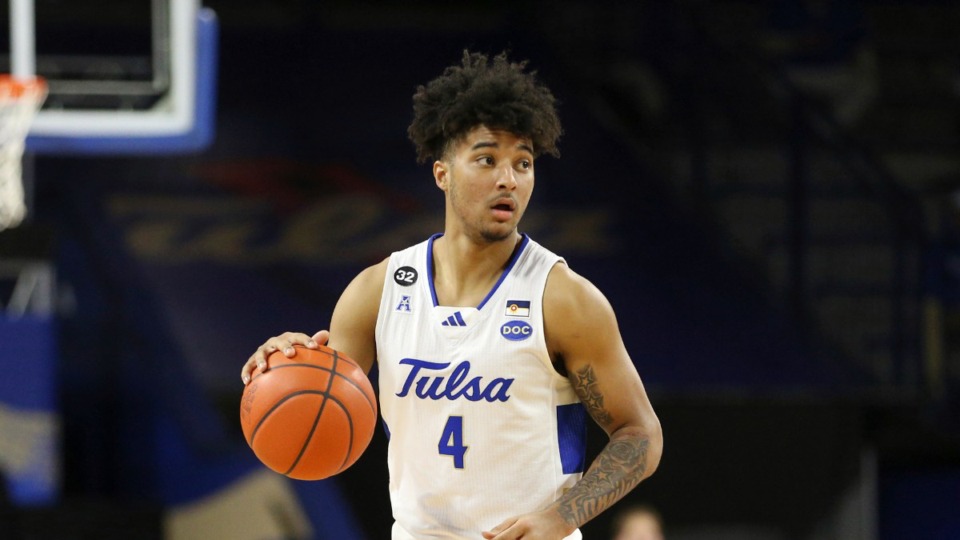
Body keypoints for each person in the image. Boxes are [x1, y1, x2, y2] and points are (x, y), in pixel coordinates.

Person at [241, 50, 663, 540]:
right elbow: (323, 405)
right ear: (442, 173)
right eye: (487, 159)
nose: (508, 178)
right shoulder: (377, 291)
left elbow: (640, 436)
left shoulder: (563, 299)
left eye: (523, 163)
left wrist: (562, 517)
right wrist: (287, 363)